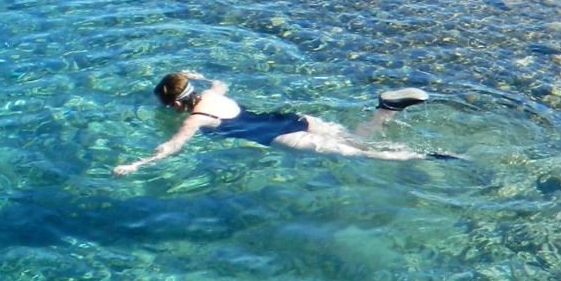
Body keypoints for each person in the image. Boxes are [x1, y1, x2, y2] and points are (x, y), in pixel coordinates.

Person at [112, 71, 445, 174]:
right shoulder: (214, 96)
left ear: (175, 104)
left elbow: (172, 147)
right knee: (356, 140)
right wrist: (194, 75)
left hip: (281, 138)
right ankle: (386, 109)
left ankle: (430, 156)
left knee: (365, 154)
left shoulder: (195, 119)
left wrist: (138, 164)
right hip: (294, 120)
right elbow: (219, 82)